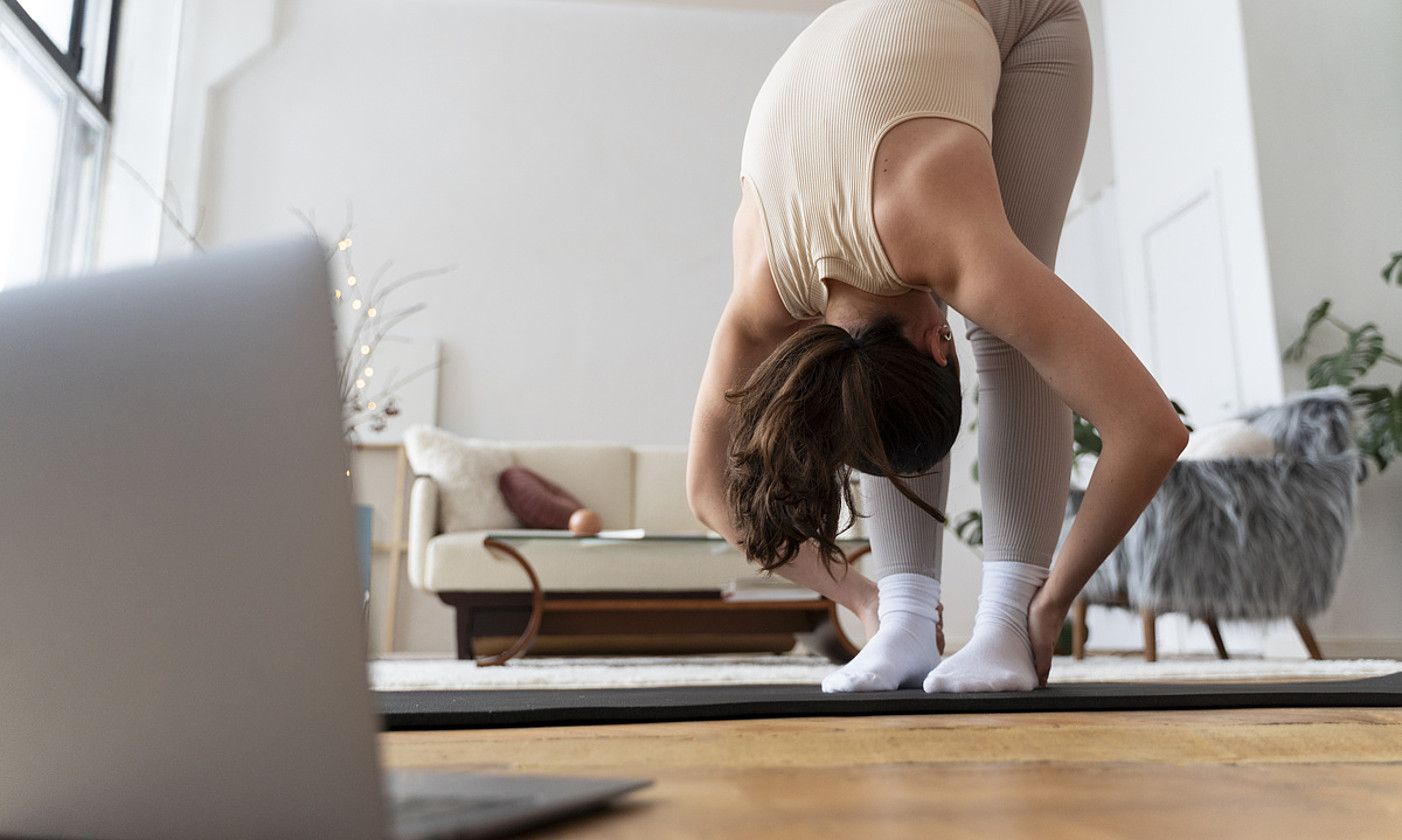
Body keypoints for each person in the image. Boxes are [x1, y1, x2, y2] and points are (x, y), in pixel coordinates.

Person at [686, 0, 1187, 694]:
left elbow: (1150, 430)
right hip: (877, 41)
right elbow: (710, 493)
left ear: (937, 344)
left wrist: (1046, 607)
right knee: (921, 364)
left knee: (1011, 333)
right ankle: (907, 619)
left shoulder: (935, 238)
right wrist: (867, 599)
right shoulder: (763, 295)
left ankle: (1004, 621)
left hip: (1024, 17)